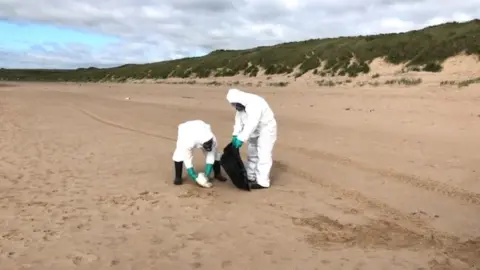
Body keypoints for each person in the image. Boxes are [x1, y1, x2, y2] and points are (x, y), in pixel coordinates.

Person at [226, 88, 277, 189]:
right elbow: (238, 121)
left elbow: (252, 123)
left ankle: (263, 182)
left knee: (264, 154)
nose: (234, 106)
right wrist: (235, 134)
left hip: (266, 129)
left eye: (235, 103)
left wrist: (241, 138)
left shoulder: (254, 103)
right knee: (252, 153)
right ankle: (251, 176)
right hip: (253, 132)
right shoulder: (240, 107)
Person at [172, 120, 227, 185]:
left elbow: (211, 155)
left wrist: (206, 174)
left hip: (201, 125)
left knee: (216, 154)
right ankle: (178, 177)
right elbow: (187, 158)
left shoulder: (213, 139)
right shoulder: (187, 141)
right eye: (207, 146)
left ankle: (217, 174)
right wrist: (193, 174)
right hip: (186, 130)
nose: (209, 147)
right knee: (179, 154)